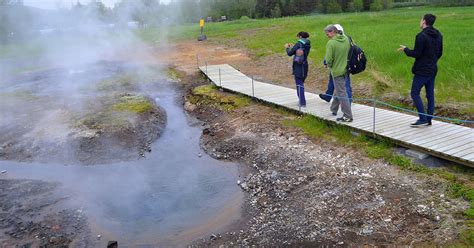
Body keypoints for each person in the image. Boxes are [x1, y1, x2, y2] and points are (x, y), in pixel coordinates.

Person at [398, 13, 443, 127]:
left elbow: (416, 54)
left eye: (421, 19)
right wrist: (431, 61)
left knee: (414, 93)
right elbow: (440, 53)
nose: (420, 21)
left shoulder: (421, 36)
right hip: (433, 69)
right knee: (430, 94)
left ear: (424, 21)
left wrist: (406, 49)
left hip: (422, 71)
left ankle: (422, 118)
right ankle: (429, 119)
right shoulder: (439, 35)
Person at [324, 25, 352, 122]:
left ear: (332, 32)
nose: (327, 36)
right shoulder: (346, 39)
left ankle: (348, 116)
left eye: (327, 34)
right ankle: (334, 108)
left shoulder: (331, 43)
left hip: (337, 71)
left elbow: (328, 59)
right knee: (339, 89)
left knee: (342, 93)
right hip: (346, 69)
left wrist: (329, 65)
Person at [285, 31, 311, 107]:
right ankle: (301, 100)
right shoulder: (308, 44)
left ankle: (302, 102)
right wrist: (294, 47)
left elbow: (290, 53)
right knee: (301, 83)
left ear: (300, 36)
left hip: (298, 66)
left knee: (299, 84)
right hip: (305, 65)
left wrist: (287, 48)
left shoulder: (298, 44)